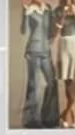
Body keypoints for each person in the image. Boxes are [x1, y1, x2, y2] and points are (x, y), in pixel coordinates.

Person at [20, 0, 60, 128]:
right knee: (34, 85)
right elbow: (23, 31)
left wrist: (58, 19)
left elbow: (52, 30)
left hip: (46, 51)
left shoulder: (47, 9)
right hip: (33, 50)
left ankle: (50, 118)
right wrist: (25, 13)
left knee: (52, 82)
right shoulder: (29, 10)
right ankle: (32, 120)